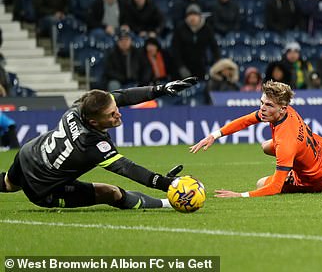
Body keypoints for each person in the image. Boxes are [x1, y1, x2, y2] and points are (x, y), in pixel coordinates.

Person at [0, 78, 198, 209]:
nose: (118, 114)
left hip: (28, 154)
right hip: (43, 189)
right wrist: (168, 184)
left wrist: (160, 89)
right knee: (111, 193)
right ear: (94, 122)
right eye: (112, 114)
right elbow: (128, 168)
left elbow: (123, 96)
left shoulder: (79, 108)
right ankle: (167, 203)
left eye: (115, 109)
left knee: (8, 184)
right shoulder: (91, 145)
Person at [190, 80, 322, 197]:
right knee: (266, 146)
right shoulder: (284, 110)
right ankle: (305, 173)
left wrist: (240, 195)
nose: (262, 109)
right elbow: (246, 121)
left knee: (261, 183)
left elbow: (274, 187)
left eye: (268, 105)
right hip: (320, 151)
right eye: (262, 103)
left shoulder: (285, 142)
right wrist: (214, 135)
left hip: (313, 177)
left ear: (281, 109)